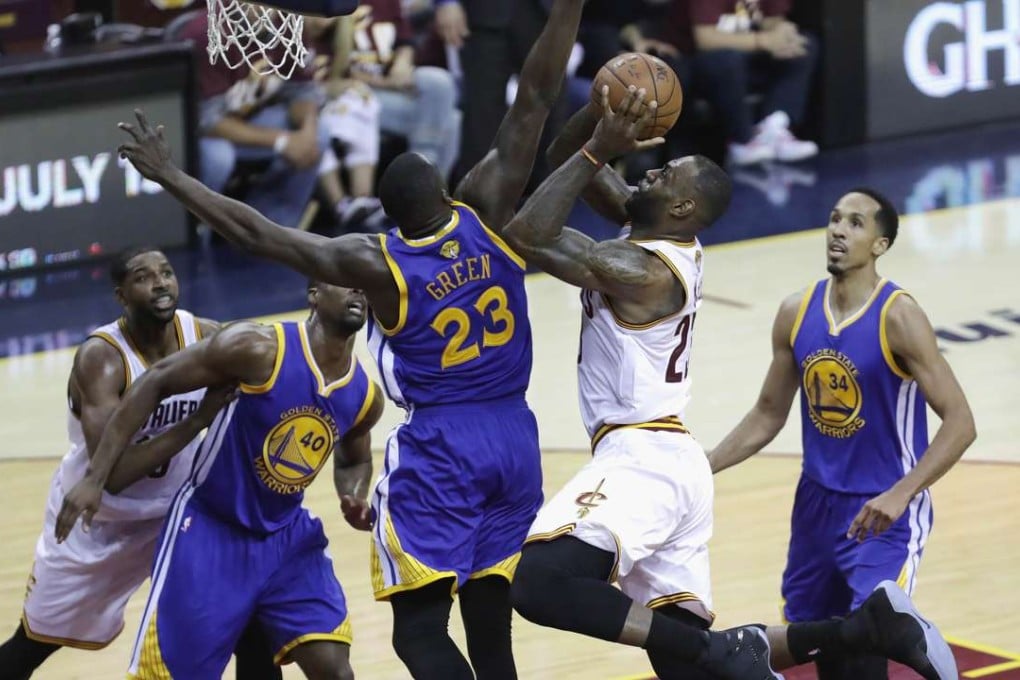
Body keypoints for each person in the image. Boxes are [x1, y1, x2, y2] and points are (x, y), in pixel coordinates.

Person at [67, 1, 585, 676]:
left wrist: (171, 176)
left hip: (447, 445)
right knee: (491, 622)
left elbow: (257, 233)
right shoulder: (486, 216)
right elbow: (537, 96)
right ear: (448, 191)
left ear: (389, 221)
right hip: (518, 436)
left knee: (419, 632)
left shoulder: (378, 264)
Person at [501, 86, 958, 680]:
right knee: (684, 667)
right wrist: (601, 115)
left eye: (663, 175)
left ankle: (723, 651)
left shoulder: (642, 271)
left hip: (643, 456)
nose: (648, 172)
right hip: (674, 463)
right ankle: (868, 628)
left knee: (541, 583)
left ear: (683, 208)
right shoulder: (653, 237)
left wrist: (596, 154)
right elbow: (567, 157)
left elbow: (526, 234)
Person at [708, 188, 977, 679]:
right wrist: (702, 467)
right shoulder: (796, 310)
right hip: (815, 505)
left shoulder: (899, 316)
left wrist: (901, 495)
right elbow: (768, 415)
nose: (838, 230)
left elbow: (961, 423)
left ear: (880, 244)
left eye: (855, 223)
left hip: (883, 509)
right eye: (834, 219)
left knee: (869, 632)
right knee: (821, 642)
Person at [56, 280, 384, 679]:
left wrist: (353, 494)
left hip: (286, 537)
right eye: (346, 284)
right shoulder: (258, 347)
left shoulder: (365, 395)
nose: (358, 293)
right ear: (314, 293)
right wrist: (96, 475)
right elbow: (158, 378)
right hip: (211, 529)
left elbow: (354, 458)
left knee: (336, 672)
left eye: (364, 287)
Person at [0, 247, 279, 680]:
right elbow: (114, 476)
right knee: (34, 644)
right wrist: (199, 419)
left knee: (248, 619)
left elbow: (271, 353)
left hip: (177, 515)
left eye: (166, 272)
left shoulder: (202, 335)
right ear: (121, 295)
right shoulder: (102, 358)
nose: (161, 282)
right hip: (98, 520)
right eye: (144, 277)